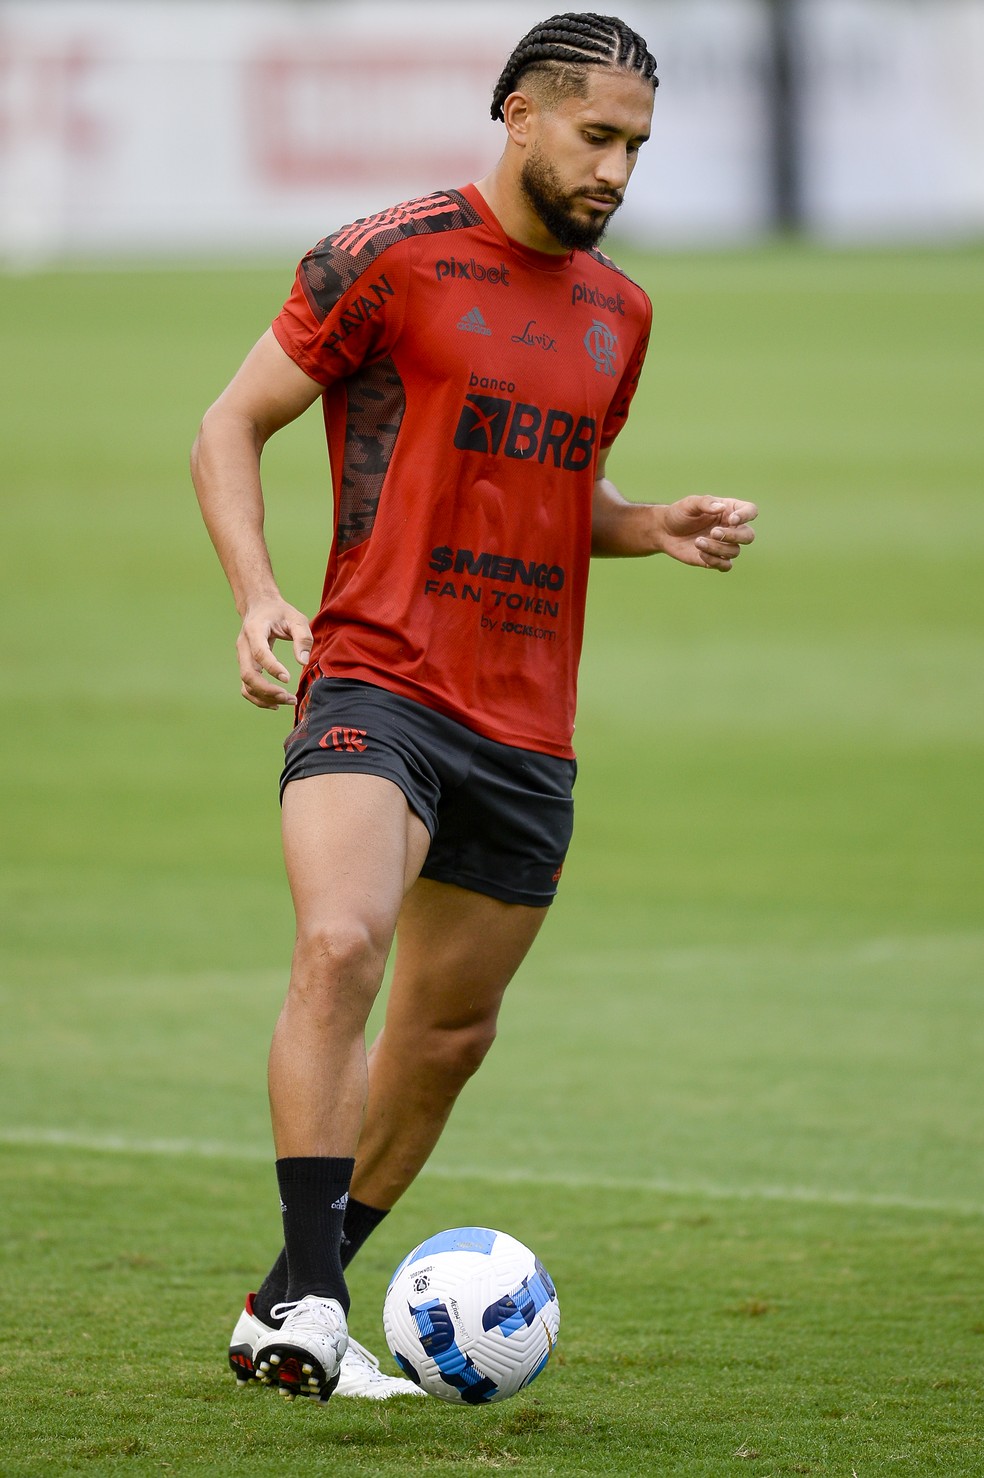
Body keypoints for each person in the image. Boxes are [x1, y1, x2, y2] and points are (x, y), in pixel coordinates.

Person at [192, 10, 757, 1405]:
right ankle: (325, 1301)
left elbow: (553, 499)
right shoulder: (387, 257)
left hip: (525, 722)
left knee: (449, 1039)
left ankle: (289, 1289)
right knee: (340, 942)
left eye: (637, 146)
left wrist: (651, 523)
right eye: (597, 134)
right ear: (516, 113)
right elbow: (227, 423)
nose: (619, 169)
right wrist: (260, 589)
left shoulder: (620, 313)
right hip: (374, 678)